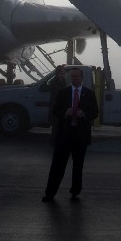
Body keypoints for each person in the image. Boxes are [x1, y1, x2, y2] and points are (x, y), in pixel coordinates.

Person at [42, 67, 99, 202]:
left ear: (81, 78)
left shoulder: (89, 94)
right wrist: (64, 113)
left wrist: (84, 115)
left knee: (78, 166)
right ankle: (50, 193)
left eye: (76, 76)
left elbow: (95, 112)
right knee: (57, 165)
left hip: (80, 136)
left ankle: (75, 191)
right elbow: (55, 110)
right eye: (72, 76)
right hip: (64, 135)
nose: (74, 78)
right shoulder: (63, 93)